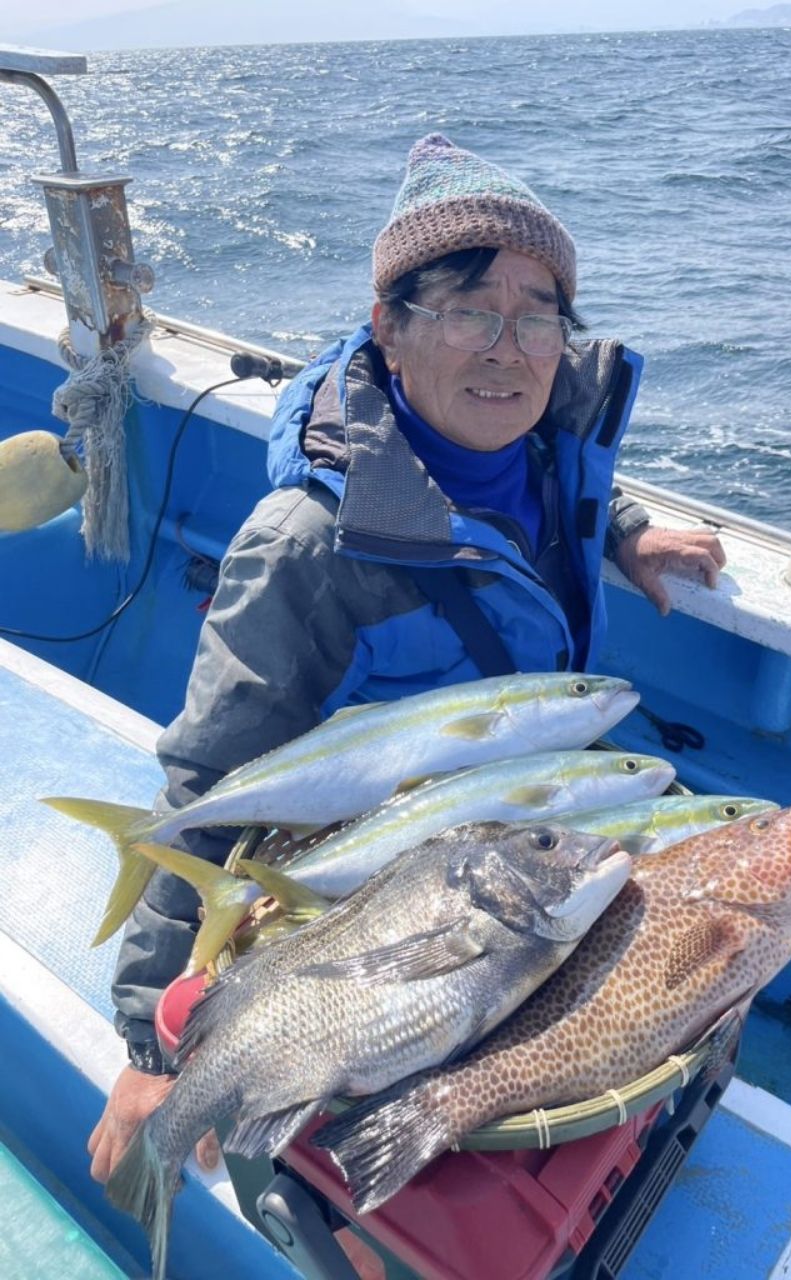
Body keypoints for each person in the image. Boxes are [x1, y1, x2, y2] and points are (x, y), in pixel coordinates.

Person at [88, 133, 725, 1183]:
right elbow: (209, 777)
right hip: (394, 925)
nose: (508, 348)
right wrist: (148, 1046)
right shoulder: (304, 549)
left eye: (538, 315)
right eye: (472, 309)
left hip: (522, 863)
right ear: (389, 328)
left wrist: (623, 530)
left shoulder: (538, 438)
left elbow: (563, 483)